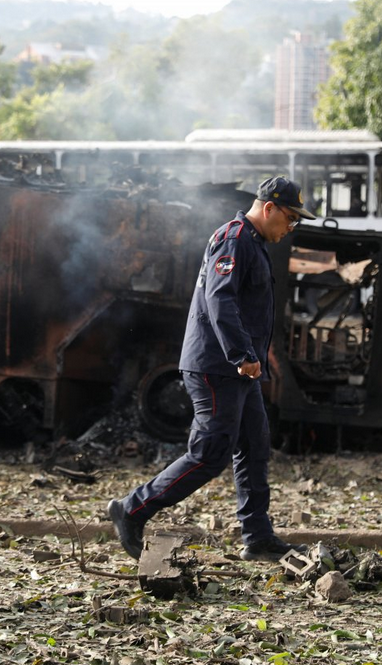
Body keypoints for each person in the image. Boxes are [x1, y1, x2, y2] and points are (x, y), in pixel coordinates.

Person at [107, 176, 315, 562]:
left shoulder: (251, 242)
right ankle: (132, 509)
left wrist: (251, 355)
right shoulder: (235, 238)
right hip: (219, 367)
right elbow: (220, 300)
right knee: (209, 454)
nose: (291, 228)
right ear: (269, 208)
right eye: (290, 219)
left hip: (237, 368)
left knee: (254, 445)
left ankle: (257, 538)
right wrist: (241, 354)